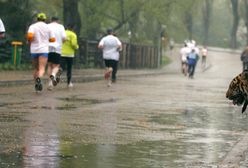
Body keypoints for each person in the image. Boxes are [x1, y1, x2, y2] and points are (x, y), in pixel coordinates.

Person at [26, 13, 55, 92]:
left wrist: (29, 41)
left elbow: (30, 36)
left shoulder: (33, 26)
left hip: (34, 50)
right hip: (44, 50)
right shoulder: (48, 27)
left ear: (37, 19)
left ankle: (37, 84)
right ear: (45, 19)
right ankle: (39, 79)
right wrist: (46, 40)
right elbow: (53, 39)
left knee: (35, 69)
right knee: (42, 68)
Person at [47, 16, 66, 90]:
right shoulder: (61, 27)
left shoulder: (47, 26)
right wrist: (62, 42)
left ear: (51, 20)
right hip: (57, 48)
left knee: (49, 65)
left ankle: (49, 82)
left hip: (48, 48)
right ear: (58, 20)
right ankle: (53, 75)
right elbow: (64, 38)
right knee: (56, 66)